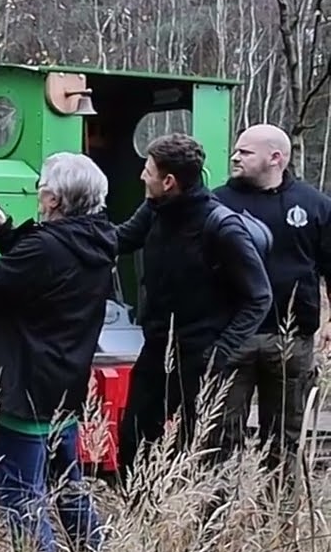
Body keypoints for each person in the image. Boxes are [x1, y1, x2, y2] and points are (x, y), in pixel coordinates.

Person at [0, 152, 115, 552]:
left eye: (42, 187)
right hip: (64, 385)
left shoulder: (47, 247)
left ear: (52, 198)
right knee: (68, 485)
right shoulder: (99, 238)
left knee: (21, 494)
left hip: (26, 386)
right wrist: (7, 233)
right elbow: (43, 272)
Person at [114, 132, 272, 485]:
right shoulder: (155, 210)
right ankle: (143, 526)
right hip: (156, 351)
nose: (142, 176)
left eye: (148, 170)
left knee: (201, 457)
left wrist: (218, 354)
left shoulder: (222, 227)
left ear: (168, 182)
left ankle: (198, 534)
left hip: (201, 360)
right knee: (132, 447)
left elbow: (259, 297)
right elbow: (119, 240)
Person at [213, 124, 331, 494]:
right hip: (232, 337)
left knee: (283, 440)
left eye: (245, 152)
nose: (235, 156)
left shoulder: (315, 205)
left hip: (290, 340)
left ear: (275, 158)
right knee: (219, 439)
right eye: (236, 150)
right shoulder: (216, 204)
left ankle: (277, 525)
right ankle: (212, 527)